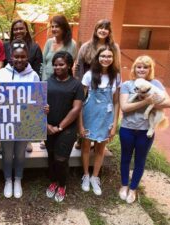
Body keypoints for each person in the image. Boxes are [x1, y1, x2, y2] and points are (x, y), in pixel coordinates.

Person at [119, 55, 170, 203]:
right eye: (139, 66)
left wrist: (152, 103)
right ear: (134, 68)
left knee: (140, 160)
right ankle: (124, 185)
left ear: (150, 69)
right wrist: (147, 101)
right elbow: (125, 107)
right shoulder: (127, 85)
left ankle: (133, 188)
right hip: (127, 128)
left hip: (145, 131)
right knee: (125, 158)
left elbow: (168, 103)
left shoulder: (156, 84)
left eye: (145, 67)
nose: (142, 69)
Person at [0, 39, 40, 199]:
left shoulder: (33, 75)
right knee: (7, 153)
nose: (19, 60)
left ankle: (18, 179)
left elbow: (37, 98)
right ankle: (8, 180)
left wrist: (42, 107)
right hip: (6, 122)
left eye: (23, 57)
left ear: (27, 57)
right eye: (16, 57)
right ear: (11, 57)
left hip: (24, 123)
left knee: (20, 153)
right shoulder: (1, 74)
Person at [79, 46, 120, 196]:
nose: (106, 59)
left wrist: (115, 124)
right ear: (97, 58)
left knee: (100, 148)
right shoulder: (89, 76)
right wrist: (81, 124)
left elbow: (116, 102)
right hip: (89, 116)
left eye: (109, 56)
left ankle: (95, 177)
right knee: (85, 146)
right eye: (103, 56)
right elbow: (81, 101)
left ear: (113, 58)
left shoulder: (116, 76)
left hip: (106, 118)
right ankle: (85, 174)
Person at [74, 19, 121, 150]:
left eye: (106, 28)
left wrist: (116, 82)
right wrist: (78, 83)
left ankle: (98, 140)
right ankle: (82, 139)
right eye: (100, 27)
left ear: (109, 32)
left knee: (102, 112)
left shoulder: (114, 48)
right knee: (85, 112)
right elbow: (78, 66)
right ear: (95, 29)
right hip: (87, 83)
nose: (103, 30)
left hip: (106, 81)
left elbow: (117, 66)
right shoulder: (86, 46)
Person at [45, 51, 83, 202]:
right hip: (48, 127)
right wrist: (47, 125)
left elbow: (76, 109)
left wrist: (59, 127)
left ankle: (62, 184)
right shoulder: (48, 82)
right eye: (55, 65)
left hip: (66, 129)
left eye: (61, 64)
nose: (57, 67)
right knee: (51, 156)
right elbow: (39, 105)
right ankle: (53, 181)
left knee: (61, 159)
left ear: (68, 65)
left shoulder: (76, 85)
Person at [4, 19, 43, 153]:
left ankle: (27, 139)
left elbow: (38, 69)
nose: (19, 31)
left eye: (21, 28)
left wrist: (36, 89)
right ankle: (3, 140)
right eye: (16, 29)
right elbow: (4, 66)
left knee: (25, 115)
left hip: (28, 86)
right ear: (12, 31)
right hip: (10, 87)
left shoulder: (35, 47)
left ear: (26, 30)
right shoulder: (6, 46)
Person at [42, 15, 77, 81]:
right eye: (52, 27)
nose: (54, 29)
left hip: (62, 82)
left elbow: (70, 65)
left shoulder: (72, 44)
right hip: (46, 80)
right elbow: (43, 63)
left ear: (63, 28)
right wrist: (44, 80)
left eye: (57, 26)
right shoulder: (49, 42)